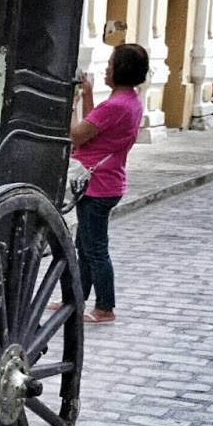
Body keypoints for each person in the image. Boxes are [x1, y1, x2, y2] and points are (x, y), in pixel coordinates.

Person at [68, 42, 149, 325]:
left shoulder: (115, 105)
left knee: (95, 249)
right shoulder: (129, 100)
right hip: (106, 181)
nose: (107, 68)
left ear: (120, 70)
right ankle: (76, 300)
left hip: (98, 184)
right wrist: (88, 95)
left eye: (111, 64)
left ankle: (105, 307)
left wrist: (71, 102)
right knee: (86, 245)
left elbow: (77, 135)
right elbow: (95, 126)